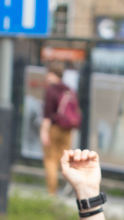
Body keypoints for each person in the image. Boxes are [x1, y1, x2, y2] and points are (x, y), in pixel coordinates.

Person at [40, 62, 81, 195]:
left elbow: (47, 114)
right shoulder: (68, 89)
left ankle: (52, 191)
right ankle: (72, 187)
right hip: (68, 129)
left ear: (53, 74)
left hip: (55, 128)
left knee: (50, 159)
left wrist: (44, 131)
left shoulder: (51, 91)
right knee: (64, 159)